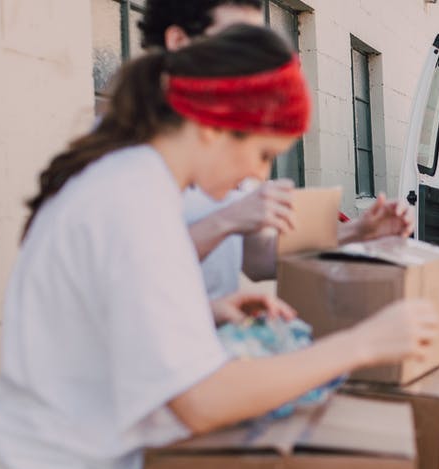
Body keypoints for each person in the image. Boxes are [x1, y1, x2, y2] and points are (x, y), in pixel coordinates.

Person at [0, 25, 438, 469]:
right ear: (216, 125)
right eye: (262, 154)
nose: (254, 178)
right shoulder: (134, 197)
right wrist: (362, 343)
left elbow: (104, 312)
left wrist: (204, 308)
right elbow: (201, 400)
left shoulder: (137, 182)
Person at [138, 0, 411, 299]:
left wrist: (357, 232)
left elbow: (258, 260)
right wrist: (226, 220)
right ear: (178, 41)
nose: (255, 60)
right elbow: (134, 276)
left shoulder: (237, 146)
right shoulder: (128, 163)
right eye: (237, 40)